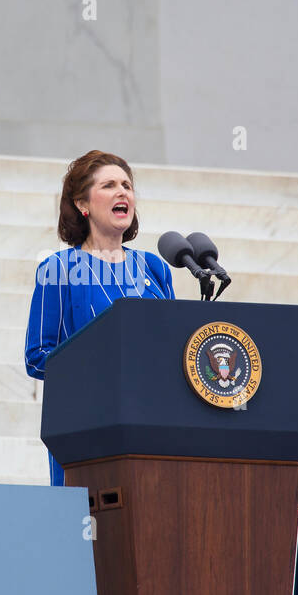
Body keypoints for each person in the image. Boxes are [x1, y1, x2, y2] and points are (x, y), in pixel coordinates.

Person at [24, 150, 177, 486]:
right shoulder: (59, 270)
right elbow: (37, 358)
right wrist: (102, 366)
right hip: (86, 427)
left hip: (152, 426)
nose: (123, 192)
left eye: (127, 185)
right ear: (84, 204)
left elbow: (174, 347)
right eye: (109, 185)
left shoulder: (154, 268)